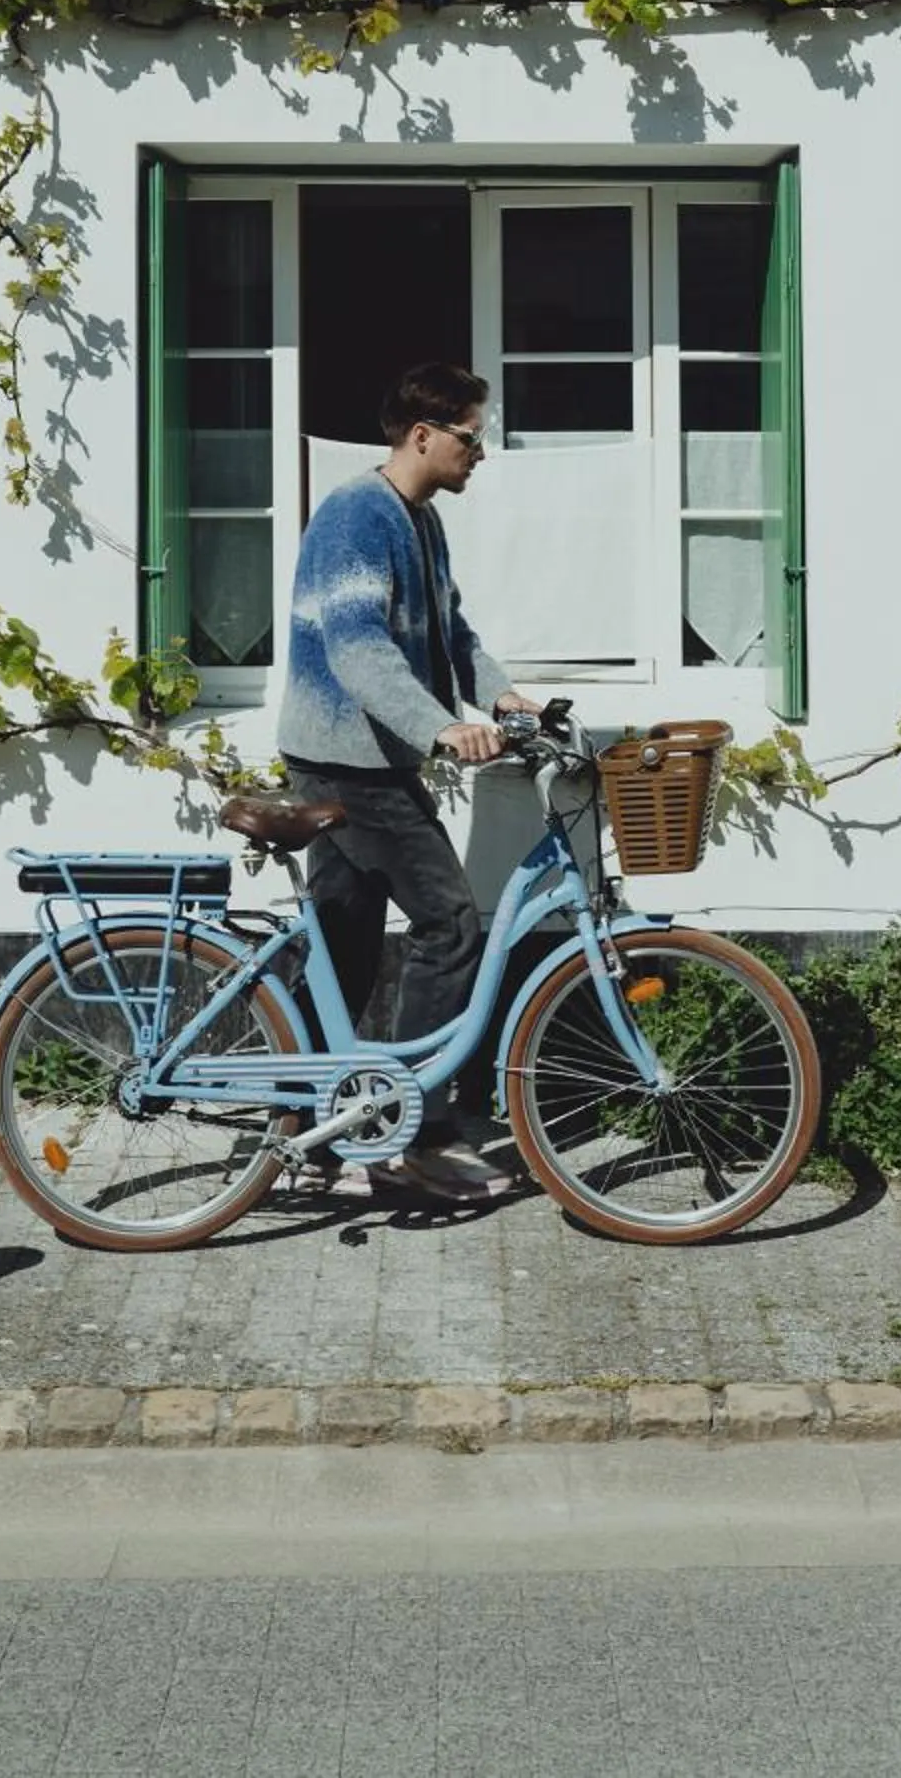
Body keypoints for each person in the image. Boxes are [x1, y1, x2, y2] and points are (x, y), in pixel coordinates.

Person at [278, 359, 535, 1204]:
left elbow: (451, 632)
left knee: (344, 949)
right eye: (471, 436)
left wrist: (496, 691)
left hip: (363, 759)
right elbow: (358, 649)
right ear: (422, 435)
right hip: (348, 763)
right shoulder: (358, 514)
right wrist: (441, 726)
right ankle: (411, 1133)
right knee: (451, 923)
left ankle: (305, 1130)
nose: (481, 453)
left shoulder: (420, 522)